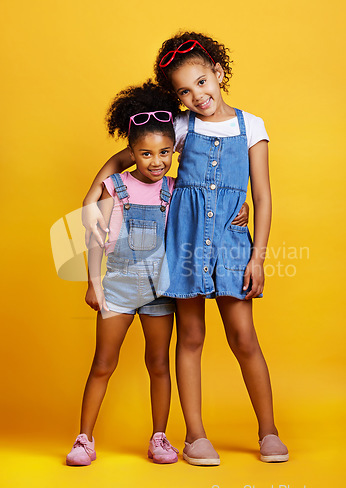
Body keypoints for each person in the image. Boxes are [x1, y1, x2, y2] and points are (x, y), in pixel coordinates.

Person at [82, 31, 288, 465]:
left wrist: (259, 255)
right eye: (183, 91)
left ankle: (268, 430)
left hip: (232, 245)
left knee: (244, 337)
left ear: (217, 71)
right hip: (184, 244)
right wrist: (92, 194)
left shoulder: (252, 126)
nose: (196, 96)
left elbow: (264, 195)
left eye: (201, 82)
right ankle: (195, 436)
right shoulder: (178, 125)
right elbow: (129, 158)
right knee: (191, 337)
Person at [66, 81, 180, 466]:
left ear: (173, 151)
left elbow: (207, 212)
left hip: (160, 291)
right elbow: (96, 238)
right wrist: (93, 282)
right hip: (116, 287)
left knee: (159, 363)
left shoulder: (176, 189)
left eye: (165, 152)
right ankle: (84, 439)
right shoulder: (113, 186)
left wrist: (243, 208)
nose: (156, 161)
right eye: (146, 153)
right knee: (103, 363)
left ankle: (159, 437)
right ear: (131, 153)